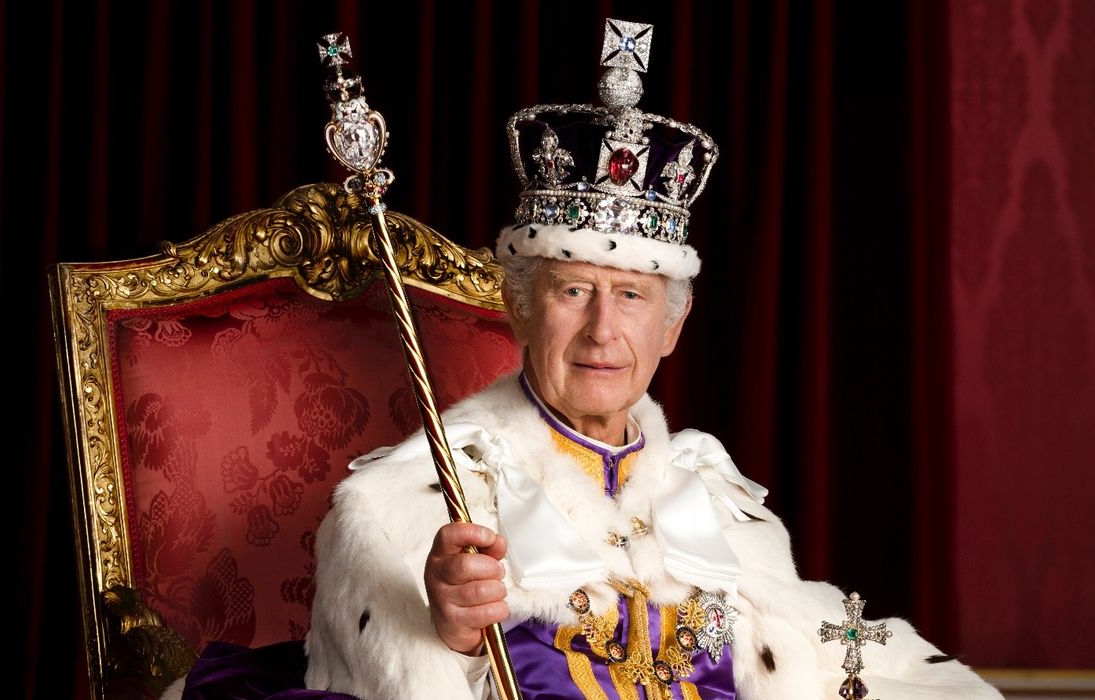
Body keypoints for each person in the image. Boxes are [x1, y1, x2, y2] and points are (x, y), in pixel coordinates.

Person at [302, 18, 1001, 700]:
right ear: (517, 305)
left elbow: (813, 662)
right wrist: (446, 634)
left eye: (632, 296)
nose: (603, 331)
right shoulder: (404, 503)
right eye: (573, 290)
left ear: (673, 327)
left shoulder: (716, 498)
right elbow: (373, 673)